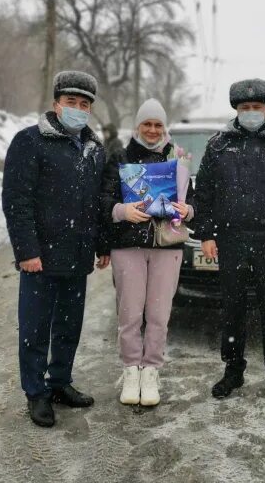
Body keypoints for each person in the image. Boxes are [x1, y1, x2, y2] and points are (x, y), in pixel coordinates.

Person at [2, 71, 110, 428]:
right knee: (35, 328)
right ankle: (36, 393)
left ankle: (60, 382)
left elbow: (97, 203)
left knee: (68, 327)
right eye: (71, 102)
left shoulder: (95, 150)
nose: (78, 109)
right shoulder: (29, 142)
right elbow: (17, 201)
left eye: (84, 104)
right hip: (41, 258)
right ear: (56, 104)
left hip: (77, 257)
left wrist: (102, 245)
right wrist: (26, 251)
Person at [194, 79, 265, 405]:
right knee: (232, 308)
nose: (250, 113)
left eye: (256, 108)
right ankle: (233, 371)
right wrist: (205, 233)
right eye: (244, 108)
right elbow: (203, 192)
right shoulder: (219, 145)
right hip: (231, 240)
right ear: (236, 110)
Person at [100, 99, 194, 407]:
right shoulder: (120, 157)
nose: (152, 130)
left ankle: (151, 370)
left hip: (167, 247)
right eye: (147, 124)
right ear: (138, 126)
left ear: (164, 128)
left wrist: (188, 210)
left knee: (158, 315)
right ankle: (131, 370)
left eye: (157, 125)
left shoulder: (177, 160)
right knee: (129, 312)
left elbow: (191, 203)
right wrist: (120, 210)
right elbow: (101, 200)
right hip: (128, 245)